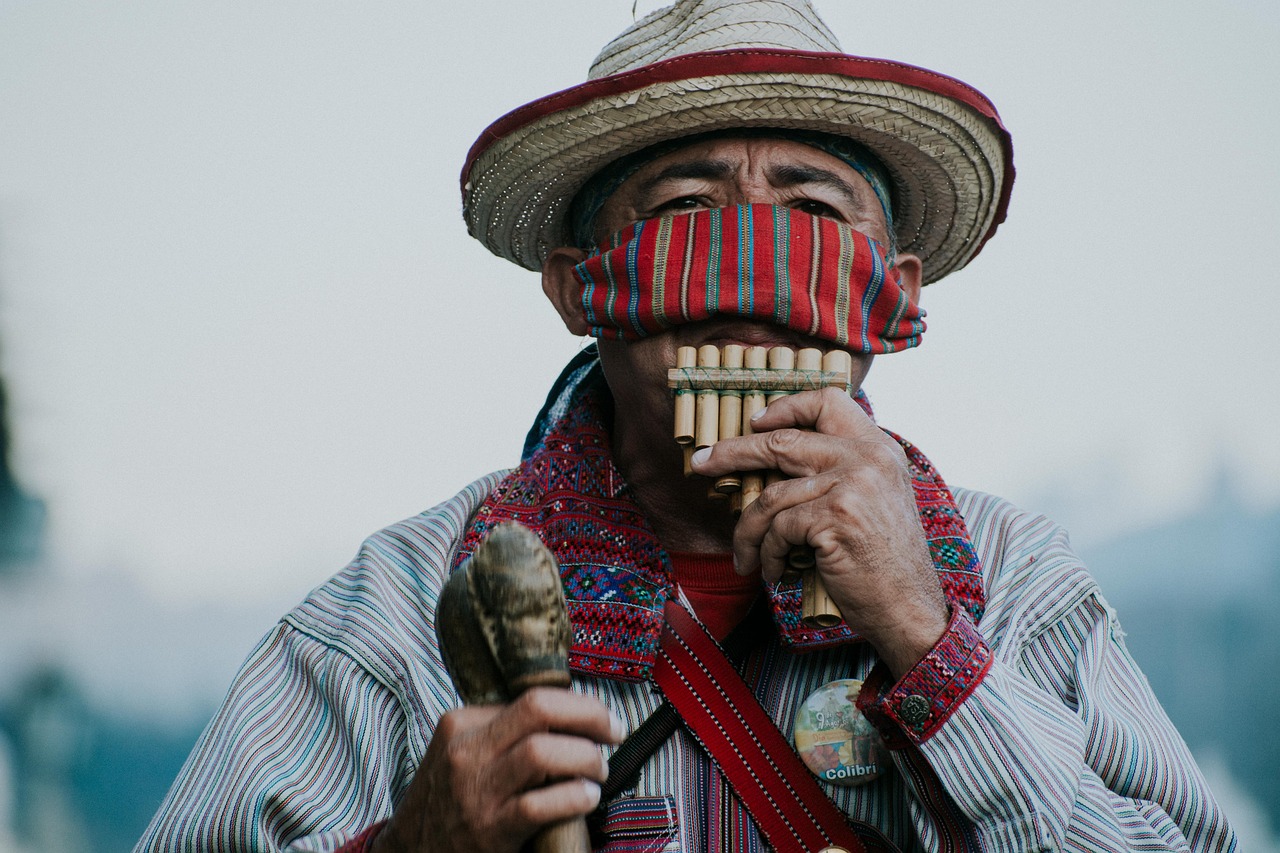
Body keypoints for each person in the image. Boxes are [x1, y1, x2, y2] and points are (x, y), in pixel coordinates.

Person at [136, 1, 1237, 851]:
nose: (749, 277)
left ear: (889, 299)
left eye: (810, 214)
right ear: (578, 291)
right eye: (683, 213)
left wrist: (926, 636)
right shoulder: (383, 622)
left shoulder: (1021, 584)